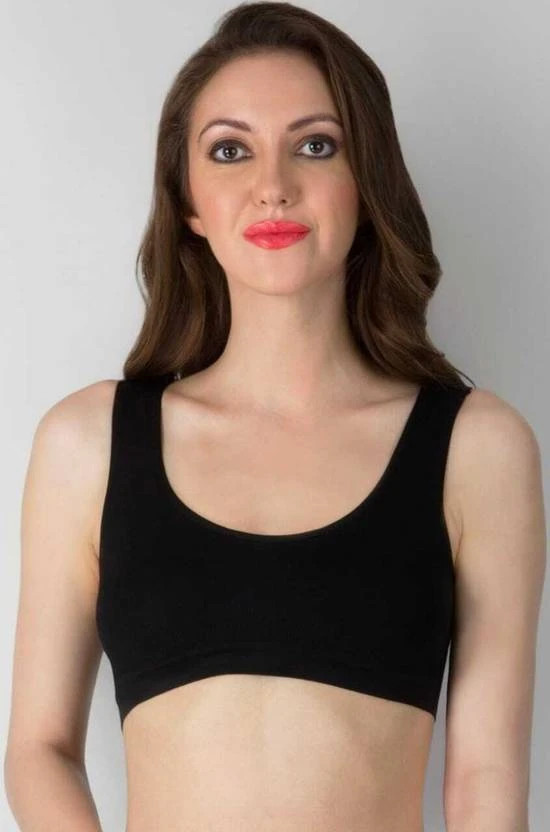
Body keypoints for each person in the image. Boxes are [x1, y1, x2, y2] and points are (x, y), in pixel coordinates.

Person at [4, 2, 546, 830]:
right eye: (230, 150)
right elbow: (38, 747)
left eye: (315, 145)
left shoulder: (477, 448)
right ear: (188, 200)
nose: (273, 185)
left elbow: (485, 781)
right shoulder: (89, 445)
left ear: (367, 181)